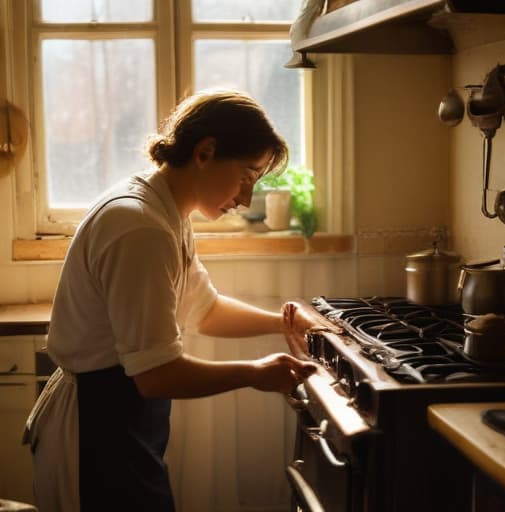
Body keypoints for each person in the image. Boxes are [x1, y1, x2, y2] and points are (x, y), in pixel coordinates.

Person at [23, 89, 318, 512]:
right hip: (96, 433)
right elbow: (157, 376)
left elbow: (206, 309)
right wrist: (255, 373)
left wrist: (285, 323)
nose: (245, 199)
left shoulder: (165, 212)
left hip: (119, 422)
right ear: (205, 152)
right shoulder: (141, 227)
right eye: (247, 176)